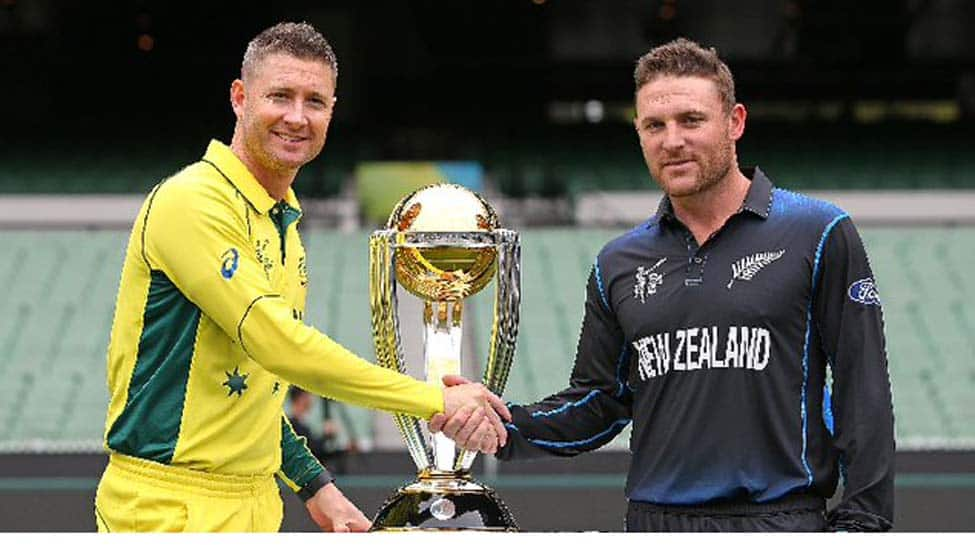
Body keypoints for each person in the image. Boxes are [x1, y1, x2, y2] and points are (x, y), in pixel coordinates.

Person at [432, 38, 895, 532]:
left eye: (691, 121)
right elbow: (600, 402)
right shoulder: (619, 262)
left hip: (778, 522)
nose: (671, 140)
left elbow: (861, 388)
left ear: (735, 122)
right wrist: (502, 425)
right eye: (655, 125)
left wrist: (864, 524)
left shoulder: (818, 233)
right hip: (654, 525)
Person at [94, 22, 509, 533]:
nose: (296, 116)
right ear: (240, 97)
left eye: (314, 100)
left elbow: (257, 392)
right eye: (280, 96)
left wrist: (315, 485)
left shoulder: (282, 218)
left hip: (254, 502)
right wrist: (435, 399)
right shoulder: (192, 201)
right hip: (166, 505)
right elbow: (280, 347)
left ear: (332, 110)